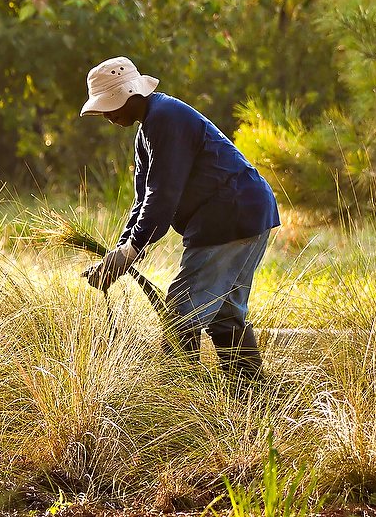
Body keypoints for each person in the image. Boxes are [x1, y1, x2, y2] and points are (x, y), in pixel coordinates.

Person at [79, 56, 278, 380]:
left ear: (129, 93)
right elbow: (144, 199)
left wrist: (130, 252)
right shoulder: (148, 130)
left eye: (109, 107)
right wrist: (122, 251)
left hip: (230, 214)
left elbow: (163, 198)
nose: (108, 116)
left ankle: (181, 404)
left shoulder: (165, 118)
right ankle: (253, 402)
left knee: (181, 311)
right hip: (248, 213)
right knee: (225, 316)